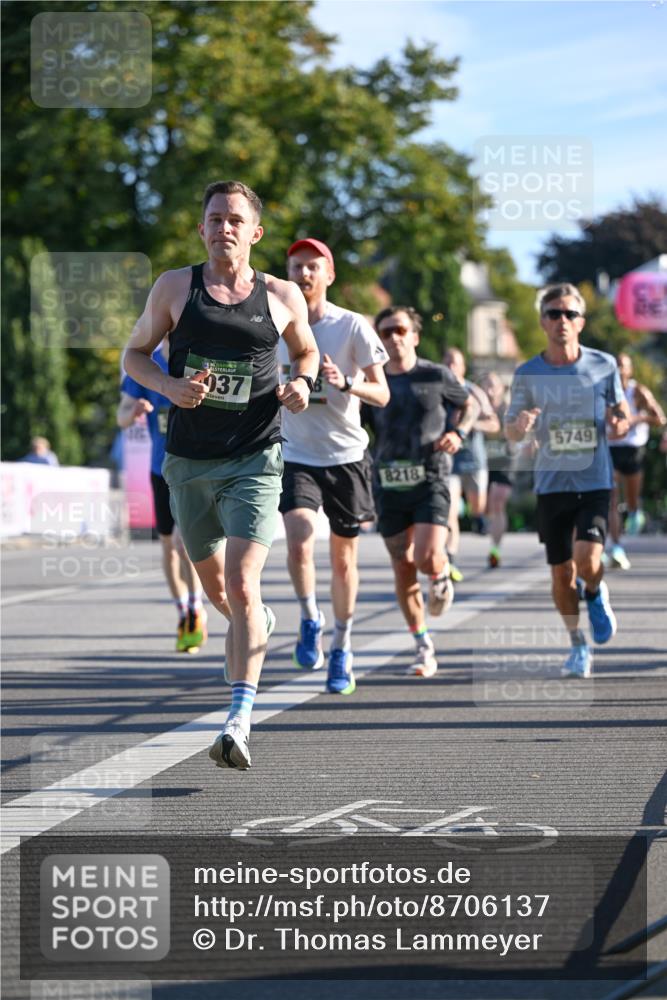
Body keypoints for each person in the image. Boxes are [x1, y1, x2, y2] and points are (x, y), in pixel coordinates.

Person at [123, 180, 319, 770]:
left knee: (240, 584)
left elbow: (305, 351)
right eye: (214, 218)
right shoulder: (174, 287)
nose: (223, 228)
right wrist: (168, 386)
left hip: (256, 455)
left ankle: (238, 718)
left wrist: (303, 383)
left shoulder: (282, 294)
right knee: (216, 592)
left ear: (255, 233)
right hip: (188, 461)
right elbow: (134, 354)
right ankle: (254, 625)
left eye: (235, 219)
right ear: (202, 228)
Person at [278, 238, 389, 695]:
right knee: (300, 539)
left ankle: (342, 647)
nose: (304, 274)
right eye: (296, 267)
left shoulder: (352, 326)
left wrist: (347, 383)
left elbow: (382, 393)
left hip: (346, 455)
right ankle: (309, 616)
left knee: (344, 561)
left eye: (312, 267)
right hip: (296, 452)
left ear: (329, 275)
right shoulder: (273, 323)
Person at [505, 283, 630, 679]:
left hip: (594, 479)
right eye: (554, 313)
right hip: (551, 484)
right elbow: (510, 430)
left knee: (587, 559)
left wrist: (619, 421)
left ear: (582, 321)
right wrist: (519, 425)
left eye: (570, 314)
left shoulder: (603, 364)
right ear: (543, 321)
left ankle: (594, 592)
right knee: (561, 574)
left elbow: (621, 411)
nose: (562, 320)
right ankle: (578, 645)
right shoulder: (527, 373)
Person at [365, 306, 475, 677]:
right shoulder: (373, 380)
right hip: (388, 484)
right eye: (385, 332)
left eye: (400, 329)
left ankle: (441, 575)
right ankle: (423, 645)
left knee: (427, 557)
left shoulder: (436, 374)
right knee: (403, 566)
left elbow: (468, 404)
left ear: (414, 335)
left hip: (431, 477)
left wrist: (457, 432)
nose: (393, 337)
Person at [117, 338, 207, 653]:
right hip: (160, 468)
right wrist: (135, 411)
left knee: (184, 545)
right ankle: (184, 611)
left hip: (193, 467)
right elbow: (121, 417)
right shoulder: (147, 364)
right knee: (169, 546)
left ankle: (196, 608)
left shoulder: (200, 359)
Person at [443, 348, 500, 580]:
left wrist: (469, 426)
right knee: (450, 513)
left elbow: (494, 425)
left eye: (455, 363)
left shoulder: (473, 392)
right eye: (446, 362)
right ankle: (450, 559)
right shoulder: (438, 391)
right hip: (449, 460)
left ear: (462, 367)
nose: (450, 367)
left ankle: (477, 517)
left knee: (478, 507)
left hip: (474, 459)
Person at [607, 352, 666, 568]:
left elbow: (660, 418)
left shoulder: (638, 391)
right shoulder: (605, 393)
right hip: (611, 449)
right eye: (617, 366)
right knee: (611, 499)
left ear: (630, 370)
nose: (620, 370)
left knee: (631, 503)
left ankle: (634, 513)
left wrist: (637, 418)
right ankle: (616, 547)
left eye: (624, 366)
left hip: (633, 451)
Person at [479, 371, 514, 569]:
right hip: (480, 463)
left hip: (503, 463)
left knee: (498, 501)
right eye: (487, 386)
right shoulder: (476, 408)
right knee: (486, 507)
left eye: (494, 386)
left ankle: (495, 549)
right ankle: (484, 524)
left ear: (501, 389)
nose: (490, 391)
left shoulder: (507, 410)